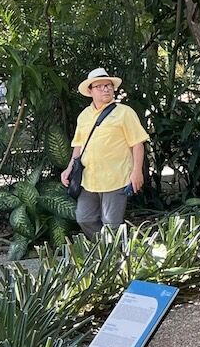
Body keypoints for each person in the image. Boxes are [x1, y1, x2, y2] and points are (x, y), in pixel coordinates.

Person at [60, 67, 150, 237]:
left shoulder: (124, 113)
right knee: (84, 218)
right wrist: (69, 168)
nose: (106, 89)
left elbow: (138, 144)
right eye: (100, 86)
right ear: (90, 91)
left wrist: (137, 171)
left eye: (108, 85)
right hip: (89, 179)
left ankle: (114, 251)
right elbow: (78, 146)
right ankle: (107, 247)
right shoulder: (84, 116)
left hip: (116, 177)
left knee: (111, 225)